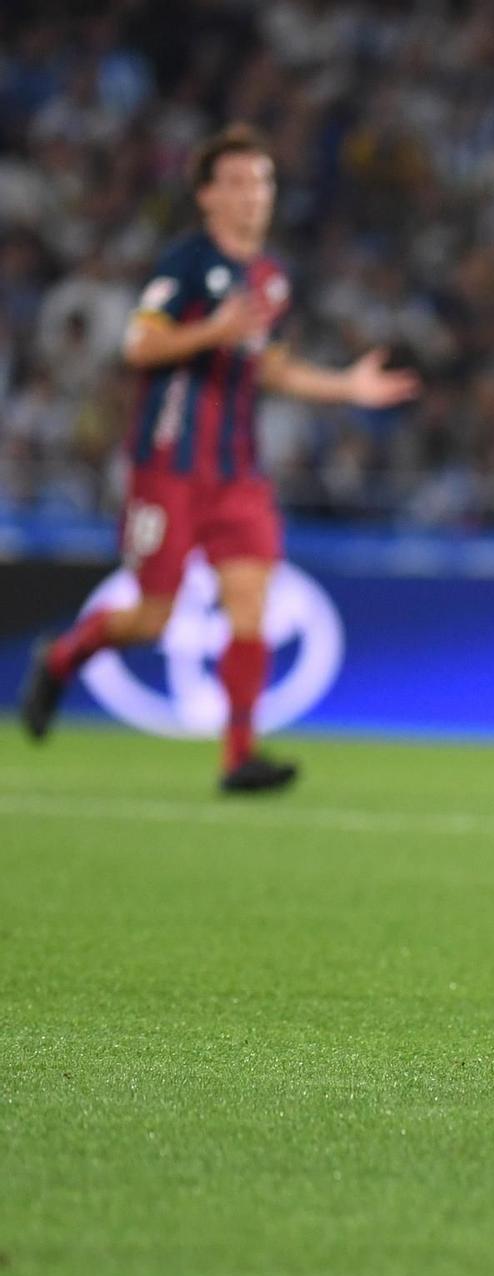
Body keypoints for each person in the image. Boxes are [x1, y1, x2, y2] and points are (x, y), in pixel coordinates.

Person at [18, 124, 419, 791]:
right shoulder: (185, 263)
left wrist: (346, 387)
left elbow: (271, 367)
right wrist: (212, 329)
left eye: (261, 182)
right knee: (152, 618)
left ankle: (239, 756)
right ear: (206, 196)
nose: (251, 195)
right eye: (235, 182)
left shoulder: (271, 279)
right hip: (167, 467)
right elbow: (139, 346)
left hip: (238, 472)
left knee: (250, 603)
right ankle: (61, 658)